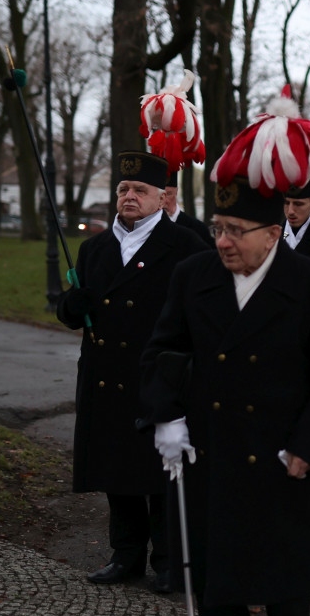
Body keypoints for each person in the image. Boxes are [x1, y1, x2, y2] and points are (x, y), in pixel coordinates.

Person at [140, 174, 310, 616]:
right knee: (213, 547)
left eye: (237, 230)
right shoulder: (194, 276)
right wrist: (166, 417)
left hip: (283, 449)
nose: (223, 241)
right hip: (210, 443)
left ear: (273, 232)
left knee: (286, 551)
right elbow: (162, 351)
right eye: (218, 227)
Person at [56, 150, 208, 592]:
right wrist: (71, 305)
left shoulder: (185, 248)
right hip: (105, 374)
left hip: (157, 374)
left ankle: (168, 559)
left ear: (162, 198)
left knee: (160, 470)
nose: (129, 196)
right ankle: (125, 554)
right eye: (123, 189)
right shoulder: (95, 248)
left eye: (140, 190)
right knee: (114, 467)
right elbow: (73, 309)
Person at [162, 171, 213, 248]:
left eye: (168, 194)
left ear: (176, 192)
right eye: (160, 195)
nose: (164, 201)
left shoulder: (198, 229)